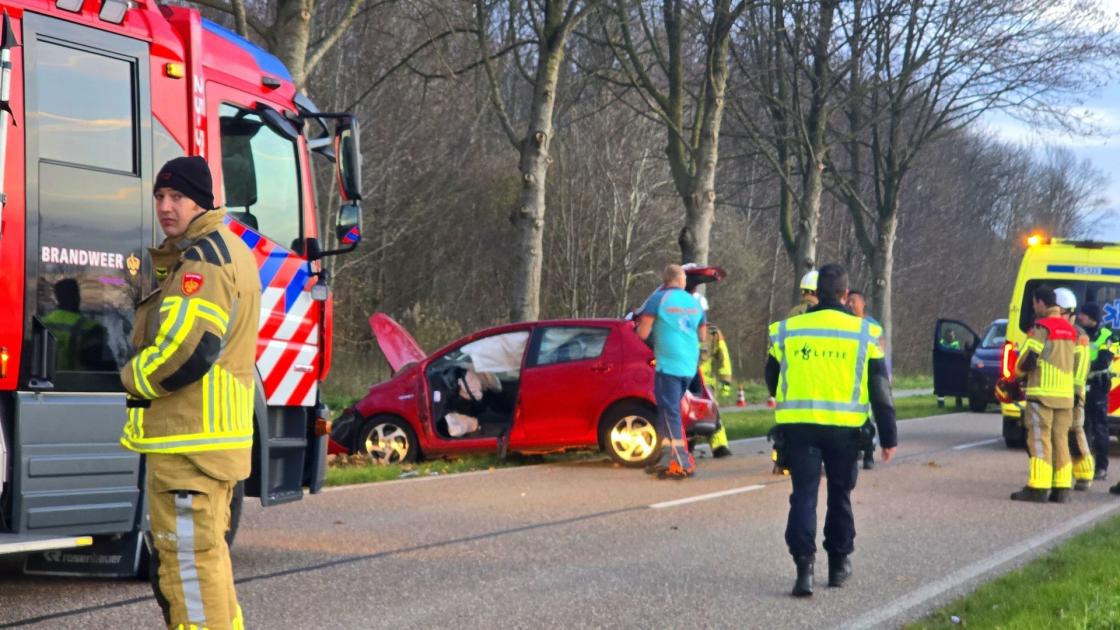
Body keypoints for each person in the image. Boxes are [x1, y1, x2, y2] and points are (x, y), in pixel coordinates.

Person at [119, 156, 261, 630]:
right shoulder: (231, 249)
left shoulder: (203, 259)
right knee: (208, 563)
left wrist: (130, 376)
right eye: (159, 196)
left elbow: (188, 351)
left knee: (188, 572)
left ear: (200, 199)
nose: (165, 206)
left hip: (189, 443)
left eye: (176, 197)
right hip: (210, 443)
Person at [766, 263, 897, 597]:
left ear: (815, 293)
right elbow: (880, 389)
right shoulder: (863, 332)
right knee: (840, 496)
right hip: (845, 431)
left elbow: (772, 375)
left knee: (804, 496)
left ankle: (803, 569)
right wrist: (888, 436)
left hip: (800, 428)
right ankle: (838, 566)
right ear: (844, 294)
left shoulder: (788, 329)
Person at [637, 264, 706, 479]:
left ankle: (680, 459)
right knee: (666, 410)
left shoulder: (658, 299)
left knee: (670, 410)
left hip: (669, 363)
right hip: (689, 365)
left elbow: (642, 332)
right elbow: (702, 335)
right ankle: (666, 456)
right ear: (681, 280)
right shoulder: (694, 303)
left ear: (666, 280)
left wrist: (655, 340)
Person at [1011, 285, 1076, 503]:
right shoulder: (1071, 330)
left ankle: (1038, 487)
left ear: (1040, 303)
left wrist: (1015, 376)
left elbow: (1029, 358)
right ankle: (1062, 488)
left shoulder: (1041, 327)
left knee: (1039, 438)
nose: (1033, 307)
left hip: (1043, 394)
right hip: (1065, 396)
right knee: (1061, 440)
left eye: (1034, 303)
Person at [1056, 289, 1096, 490]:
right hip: (1058, 392)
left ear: (1070, 312)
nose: (1056, 315)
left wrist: (1075, 393)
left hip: (1072, 392)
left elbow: (1080, 369)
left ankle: (1085, 473)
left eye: (1060, 311)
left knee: (1074, 431)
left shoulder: (1079, 336)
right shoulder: (1057, 331)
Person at [42, 278, 112, 371]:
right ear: (77, 297)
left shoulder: (43, 323)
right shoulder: (91, 328)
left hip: (47, 383)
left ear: (57, 298)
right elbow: (105, 370)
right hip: (79, 384)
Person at [1076, 303, 1112, 483]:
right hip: (1080, 385)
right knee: (1081, 428)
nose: (1079, 317)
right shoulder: (1078, 333)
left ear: (1092, 317)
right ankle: (1084, 466)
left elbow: (1104, 362)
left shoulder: (1105, 335)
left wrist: (1082, 365)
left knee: (1099, 429)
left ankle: (1101, 468)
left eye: (1083, 314)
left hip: (1097, 387)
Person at [848, 290, 879, 471]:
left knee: (866, 418)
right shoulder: (846, 324)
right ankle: (855, 450)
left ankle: (868, 453)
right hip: (849, 380)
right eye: (848, 302)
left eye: (854, 302)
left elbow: (881, 354)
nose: (850, 305)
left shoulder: (872, 326)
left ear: (863, 304)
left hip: (867, 379)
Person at [700, 323, 734, 457]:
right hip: (681, 380)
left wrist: (725, 381)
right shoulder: (676, 328)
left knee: (712, 414)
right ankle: (686, 444)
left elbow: (723, 357)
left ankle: (719, 446)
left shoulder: (713, 333)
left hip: (705, 383)